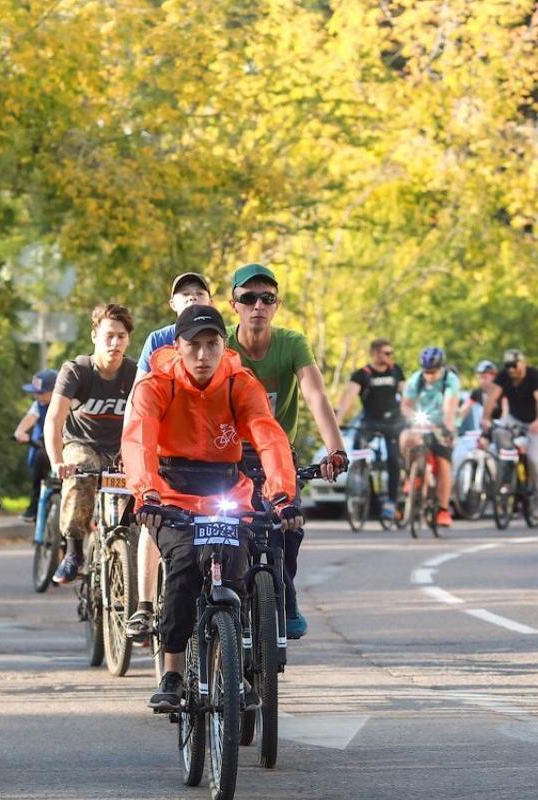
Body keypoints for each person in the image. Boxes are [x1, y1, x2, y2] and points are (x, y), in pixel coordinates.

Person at [123, 304, 300, 709]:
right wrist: (147, 492)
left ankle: (234, 667)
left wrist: (282, 496)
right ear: (179, 346)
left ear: (224, 345)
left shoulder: (240, 382)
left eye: (212, 345)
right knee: (184, 566)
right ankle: (171, 671)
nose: (203, 355)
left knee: (235, 567)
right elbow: (138, 441)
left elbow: (268, 437)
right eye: (194, 345)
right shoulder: (156, 384)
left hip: (226, 488)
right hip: (170, 492)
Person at [226, 263, 347, 640]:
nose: (257, 306)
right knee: (227, 530)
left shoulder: (291, 343)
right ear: (235, 305)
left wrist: (335, 449)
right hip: (229, 455)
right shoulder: (221, 345)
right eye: (248, 298)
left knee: (288, 527)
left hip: (278, 455)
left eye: (267, 299)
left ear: (276, 305)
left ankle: (285, 593)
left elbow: (315, 393)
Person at [126, 272, 212, 640]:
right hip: (164, 446)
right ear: (173, 304)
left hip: (211, 450)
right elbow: (139, 398)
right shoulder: (158, 340)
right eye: (185, 295)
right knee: (153, 515)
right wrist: (129, 448)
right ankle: (145, 605)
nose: (192, 299)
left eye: (199, 293)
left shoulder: (221, 340)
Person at [44, 303, 138, 584]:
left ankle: (130, 557)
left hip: (120, 449)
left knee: (136, 496)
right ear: (95, 335)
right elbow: (54, 420)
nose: (115, 342)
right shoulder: (77, 371)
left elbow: (147, 419)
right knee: (82, 470)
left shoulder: (135, 373)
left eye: (121, 336)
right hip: (81, 444)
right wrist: (57, 461)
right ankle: (74, 552)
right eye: (109, 335)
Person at [335, 338, 406, 521]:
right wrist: (338, 420)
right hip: (370, 421)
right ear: (375, 354)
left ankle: (391, 501)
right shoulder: (362, 374)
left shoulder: (395, 371)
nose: (390, 357)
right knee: (359, 450)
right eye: (386, 353)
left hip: (393, 422)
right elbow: (348, 398)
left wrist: (411, 417)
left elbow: (406, 396)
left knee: (393, 459)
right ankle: (364, 485)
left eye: (391, 353)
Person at [482, 348, 538, 524]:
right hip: (514, 419)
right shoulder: (504, 377)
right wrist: (486, 419)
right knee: (498, 432)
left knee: (535, 460)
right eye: (508, 366)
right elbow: (492, 397)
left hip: (536, 423)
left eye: (514, 365)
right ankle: (506, 472)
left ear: (523, 363)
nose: (511, 369)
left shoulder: (534, 376)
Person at [399, 347, 460, 528]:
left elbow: (450, 408)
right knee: (405, 438)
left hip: (443, 424)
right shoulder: (415, 380)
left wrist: (447, 428)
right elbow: (405, 406)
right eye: (426, 372)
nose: (429, 376)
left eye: (433, 372)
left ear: (440, 368)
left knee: (443, 464)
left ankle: (442, 510)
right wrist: (412, 419)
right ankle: (413, 474)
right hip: (422, 422)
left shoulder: (450, 380)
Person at [14, 369, 57, 522]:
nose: (37, 396)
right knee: (41, 459)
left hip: (63, 446)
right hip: (42, 446)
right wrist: (20, 432)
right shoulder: (37, 405)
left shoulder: (65, 402)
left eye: (41, 392)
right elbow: (30, 418)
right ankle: (34, 505)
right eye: (36, 393)